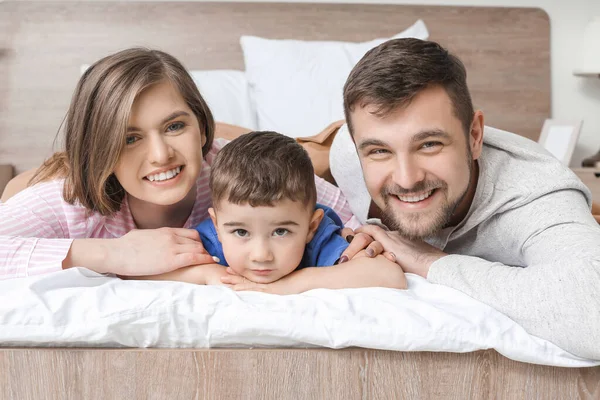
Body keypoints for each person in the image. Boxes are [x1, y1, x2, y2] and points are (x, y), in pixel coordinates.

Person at [0, 48, 376, 281]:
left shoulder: (238, 169)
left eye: (175, 126)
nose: (161, 154)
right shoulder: (70, 201)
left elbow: (361, 223)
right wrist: (113, 254)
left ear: (200, 126)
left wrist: (365, 242)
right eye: (130, 138)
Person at [339, 38, 600, 359]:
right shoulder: (345, 156)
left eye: (429, 144)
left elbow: (594, 314)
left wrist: (428, 261)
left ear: (475, 136)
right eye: (380, 151)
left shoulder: (535, 191)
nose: (406, 179)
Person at [154, 130, 404, 293]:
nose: (261, 255)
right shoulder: (209, 240)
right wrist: (208, 274)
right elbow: (146, 272)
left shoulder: (319, 240)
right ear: (217, 225)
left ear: (311, 226)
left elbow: (390, 275)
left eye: (281, 231)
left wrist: (286, 285)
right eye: (241, 232)